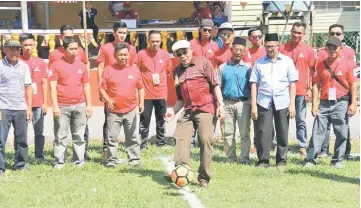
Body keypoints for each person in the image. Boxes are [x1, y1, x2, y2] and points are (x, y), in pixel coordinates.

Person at [165, 40, 225, 188]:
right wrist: (173, 111)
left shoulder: (203, 63)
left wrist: (221, 105)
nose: (182, 56)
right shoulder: (177, 72)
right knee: (181, 138)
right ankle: (182, 170)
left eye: (185, 52)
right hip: (188, 110)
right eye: (178, 54)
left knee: (205, 140)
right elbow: (180, 98)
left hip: (205, 108)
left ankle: (204, 177)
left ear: (191, 50)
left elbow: (215, 85)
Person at [304, 37, 357, 168]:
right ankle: (311, 159)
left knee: (341, 133)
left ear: (341, 49)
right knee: (317, 132)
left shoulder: (349, 64)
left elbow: (353, 85)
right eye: (329, 47)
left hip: (341, 103)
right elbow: (316, 85)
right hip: (324, 103)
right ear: (326, 49)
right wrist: (315, 104)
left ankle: (337, 160)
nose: (332, 50)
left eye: (335, 47)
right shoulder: (320, 64)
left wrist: (353, 103)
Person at [250, 33, 298, 167]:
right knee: (263, 132)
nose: (269, 49)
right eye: (267, 47)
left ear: (278, 46)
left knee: (282, 131)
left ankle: (281, 160)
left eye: (272, 46)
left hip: (282, 101)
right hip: (264, 101)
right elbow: (254, 84)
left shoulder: (287, 62)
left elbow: (293, 83)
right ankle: (263, 160)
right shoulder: (259, 63)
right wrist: (254, 106)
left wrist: (292, 104)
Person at [48, 24, 91, 160]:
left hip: (79, 104)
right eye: (71, 49)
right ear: (64, 49)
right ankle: (59, 161)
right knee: (61, 135)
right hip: (62, 105)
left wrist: (89, 105)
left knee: (79, 134)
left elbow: (86, 86)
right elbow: (52, 85)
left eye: (76, 49)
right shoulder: (56, 63)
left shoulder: (81, 65)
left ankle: (79, 160)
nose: (74, 51)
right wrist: (54, 105)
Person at [97, 21, 137, 157]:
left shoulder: (131, 49)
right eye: (120, 32)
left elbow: (134, 67)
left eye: (125, 33)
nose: (122, 35)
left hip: (126, 89)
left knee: (129, 122)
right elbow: (100, 67)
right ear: (114, 33)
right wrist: (100, 86)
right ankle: (106, 148)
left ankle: (130, 149)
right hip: (109, 88)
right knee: (109, 119)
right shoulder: (105, 48)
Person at [100, 42, 144, 167]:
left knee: (133, 137)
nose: (123, 57)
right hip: (113, 112)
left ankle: (134, 160)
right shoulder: (108, 70)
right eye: (120, 55)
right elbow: (102, 88)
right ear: (115, 55)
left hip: (130, 110)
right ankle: (111, 160)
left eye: (125, 54)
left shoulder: (135, 70)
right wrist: (108, 100)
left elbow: (141, 88)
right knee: (112, 138)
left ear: (129, 55)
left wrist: (141, 103)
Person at [316, 24, 357, 159]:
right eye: (332, 33)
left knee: (343, 124)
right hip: (327, 93)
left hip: (343, 93)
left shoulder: (350, 52)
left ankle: (345, 151)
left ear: (343, 36)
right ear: (329, 35)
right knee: (324, 125)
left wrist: (353, 101)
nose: (335, 36)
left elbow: (353, 76)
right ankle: (323, 149)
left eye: (338, 34)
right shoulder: (322, 51)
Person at [279, 22, 315, 156]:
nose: (296, 35)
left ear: (304, 34)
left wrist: (310, 89)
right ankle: (282, 144)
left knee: (301, 120)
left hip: (301, 91)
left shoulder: (309, 50)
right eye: (294, 32)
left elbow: (312, 70)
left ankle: (302, 145)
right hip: (284, 91)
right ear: (291, 31)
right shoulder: (283, 48)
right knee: (283, 120)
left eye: (299, 33)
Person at [0, 40, 33, 176]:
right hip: (3, 108)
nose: (15, 52)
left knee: (22, 140)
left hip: (20, 108)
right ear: (5, 50)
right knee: (1, 140)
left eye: (17, 49)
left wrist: (29, 108)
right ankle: (0, 168)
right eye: (12, 49)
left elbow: (28, 88)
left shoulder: (24, 67)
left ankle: (20, 165)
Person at [217, 37, 252, 164]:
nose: (238, 52)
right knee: (228, 133)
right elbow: (218, 87)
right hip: (227, 103)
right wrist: (219, 104)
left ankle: (244, 158)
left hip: (243, 103)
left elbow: (252, 87)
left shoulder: (248, 68)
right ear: (231, 50)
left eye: (241, 50)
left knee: (244, 133)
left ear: (244, 52)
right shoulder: (222, 67)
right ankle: (231, 157)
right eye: (236, 49)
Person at [137, 30, 172, 149]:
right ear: (148, 41)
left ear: (161, 41)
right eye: (152, 41)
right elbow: (136, 71)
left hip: (161, 93)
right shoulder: (141, 54)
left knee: (161, 120)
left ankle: (161, 142)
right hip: (146, 94)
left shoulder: (165, 55)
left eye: (157, 41)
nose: (155, 44)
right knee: (144, 121)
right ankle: (142, 144)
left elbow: (168, 71)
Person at [19, 33, 48, 162]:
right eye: (25, 45)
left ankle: (39, 156)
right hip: (21, 104)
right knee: (21, 134)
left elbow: (44, 83)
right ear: (21, 45)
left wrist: (45, 103)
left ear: (35, 45)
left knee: (39, 132)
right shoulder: (17, 62)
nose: (28, 47)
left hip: (38, 103)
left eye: (30, 44)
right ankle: (21, 158)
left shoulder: (40, 62)